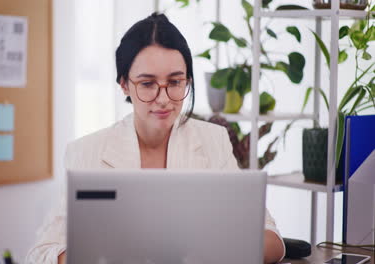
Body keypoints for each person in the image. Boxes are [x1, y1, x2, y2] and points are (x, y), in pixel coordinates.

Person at [26, 13, 285, 264]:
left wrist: (217, 250)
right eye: (147, 84)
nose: (163, 99)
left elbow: (272, 239)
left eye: (175, 82)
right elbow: (40, 254)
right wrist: (99, 253)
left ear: (188, 81)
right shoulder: (87, 151)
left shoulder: (212, 140)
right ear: (124, 84)